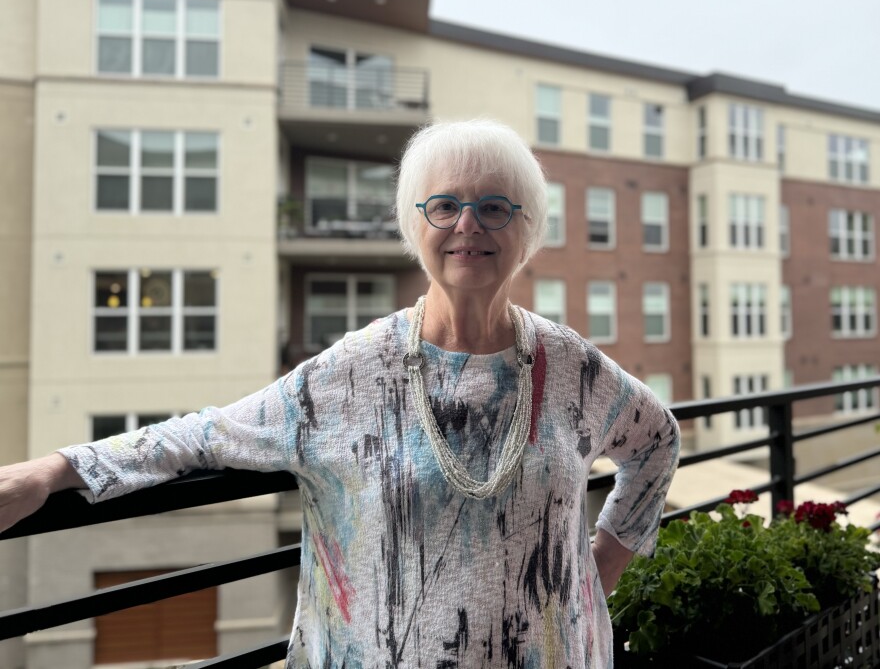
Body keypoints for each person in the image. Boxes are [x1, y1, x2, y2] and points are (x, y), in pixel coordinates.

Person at [0, 120, 680, 667]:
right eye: (445, 204)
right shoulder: (358, 369)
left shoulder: (569, 365)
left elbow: (657, 440)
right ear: (418, 224)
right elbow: (203, 435)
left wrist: (602, 563)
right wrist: (56, 468)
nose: (468, 224)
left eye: (494, 207)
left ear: (525, 229)